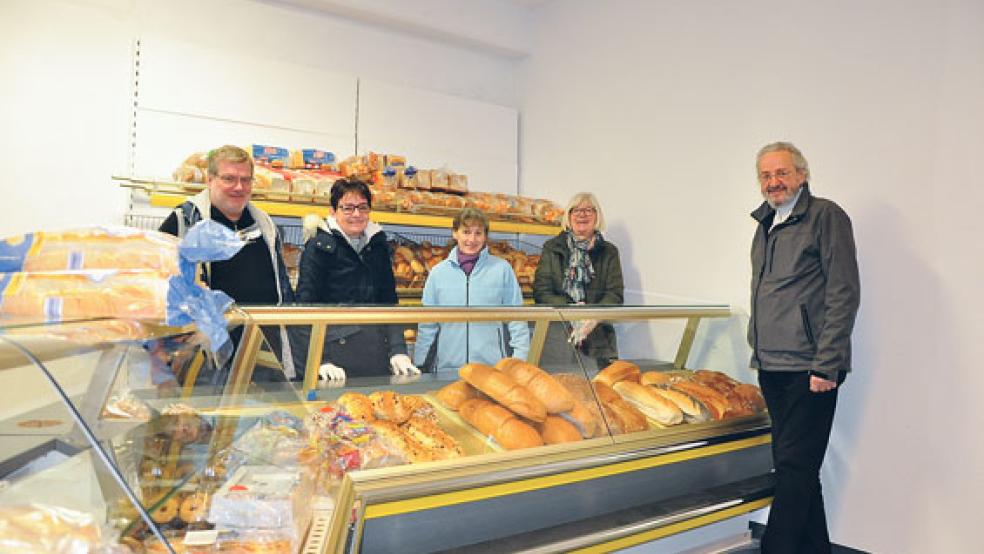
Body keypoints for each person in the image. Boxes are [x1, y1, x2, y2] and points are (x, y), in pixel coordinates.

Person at [748, 141, 860, 553]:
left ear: (801, 174)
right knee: (799, 468)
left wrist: (827, 364)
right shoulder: (765, 223)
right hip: (772, 365)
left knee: (794, 468)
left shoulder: (825, 217)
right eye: (766, 175)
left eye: (782, 173)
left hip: (811, 366)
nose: (774, 181)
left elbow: (843, 292)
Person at [159, 145, 296, 382]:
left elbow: (282, 289)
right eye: (229, 179)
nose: (239, 187)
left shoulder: (265, 225)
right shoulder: (184, 221)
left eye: (245, 180)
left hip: (262, 352)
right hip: (204, 357)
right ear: (210, 180)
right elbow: (158, 286)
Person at [296, 178, 418, 380]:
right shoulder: (319, 248)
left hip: (376, 356)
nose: (356, 214)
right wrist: (321, 359)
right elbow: (304, 309)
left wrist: (398, 349)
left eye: (363, 208)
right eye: (348, 208)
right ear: (333, 212)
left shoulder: (378, 247)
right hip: (335, 361)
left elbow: (389, 303)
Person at [413, 208, 530, 377]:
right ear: (455, 234)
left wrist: (519, 361)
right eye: (466, 232)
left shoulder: (502, 269)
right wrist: (420, 364)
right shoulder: (438, 273)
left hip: (492, 369)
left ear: (485, 236)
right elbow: (427, 325)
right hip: (447, 369)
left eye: (478, 233)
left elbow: (517, 319)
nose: (472, 239)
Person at [533, 192, 624, 372]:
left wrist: (592, 316)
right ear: (568, 216)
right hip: (558, 337)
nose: (582, 214)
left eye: (589, 210)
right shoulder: (552, 247)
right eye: (576, 210)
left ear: (597, 216)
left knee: (598, 394)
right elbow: (541, 292)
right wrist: (571, 308)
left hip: (598, 341)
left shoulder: (609, 252)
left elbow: (615, 294)